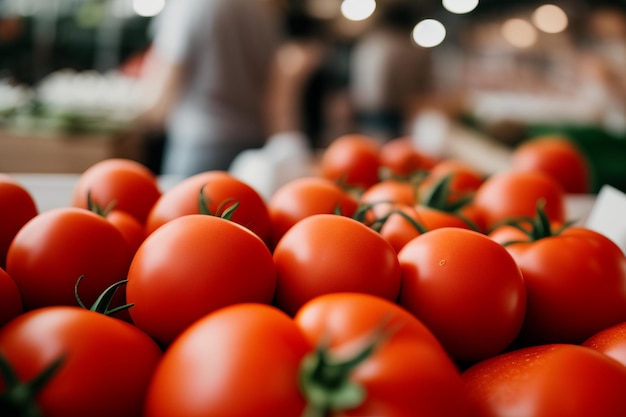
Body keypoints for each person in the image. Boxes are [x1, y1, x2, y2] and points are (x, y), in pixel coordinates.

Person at [135, 0, 283, 177]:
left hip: (200, 148)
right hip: (255, 147)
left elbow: (160, 101)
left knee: (191, 204)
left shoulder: (187, 6)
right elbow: (276, 76)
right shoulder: (261, 7)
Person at [349, 2, 433, 142]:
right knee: (392, 152)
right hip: (394, 112)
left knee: (370, 148)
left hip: (363, 109)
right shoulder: (408, 47)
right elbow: (423, 84)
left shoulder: (369, 42)